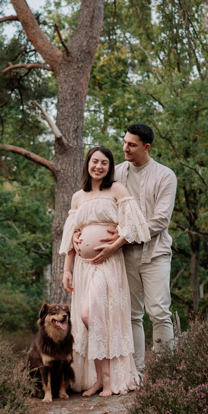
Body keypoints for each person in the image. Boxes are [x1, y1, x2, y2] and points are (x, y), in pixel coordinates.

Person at [60, 145, 150, 397]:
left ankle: (110, 379)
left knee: (92, 315)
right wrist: (67, 269)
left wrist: (114, 245)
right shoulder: (78, 197)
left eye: (104, 163)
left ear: (110, 167)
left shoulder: (117, 190)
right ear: (87, 164)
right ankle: (99, 379)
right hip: (83, 267)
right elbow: (70, 236)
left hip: (107, 264)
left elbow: (134, 225)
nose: (99, 166)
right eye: (94, 161)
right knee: (90, 318)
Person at [97, 123, 177, 372]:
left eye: (131, 144)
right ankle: (138, 371)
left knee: (159, 312)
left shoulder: (165, 176)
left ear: (146, 147)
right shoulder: (117, 173)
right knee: (132, 314)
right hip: (125, 255)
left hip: (156, 254)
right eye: (124, 142)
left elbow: (161, 220)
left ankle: (165, 372)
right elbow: (101, 205)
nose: (125, 148)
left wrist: (122, 236)